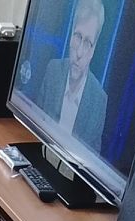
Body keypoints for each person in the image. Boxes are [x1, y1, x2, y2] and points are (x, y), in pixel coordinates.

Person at [37, 0, 109, 151]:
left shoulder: (99, 100)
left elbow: (92, 158)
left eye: (88, 43)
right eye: (77, 37)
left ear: (94, 49)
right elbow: (34, 128)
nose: (80, 52)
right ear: (70, 36)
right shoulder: (53, 71)